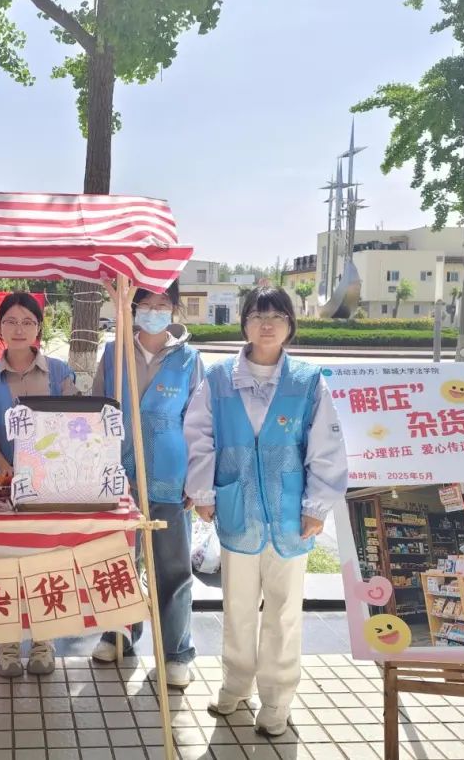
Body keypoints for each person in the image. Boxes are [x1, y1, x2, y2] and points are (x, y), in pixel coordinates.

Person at [184, 286, 347, 736]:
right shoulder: (218, 378)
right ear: (244, 324)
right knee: (236, 607)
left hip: (291, 515)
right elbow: (198, 436)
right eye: (257, 315)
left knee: (284, 612)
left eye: (277, 315)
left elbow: (326, 448)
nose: (267, 324)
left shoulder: (308, 381)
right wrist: (203, 492)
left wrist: (317, 505)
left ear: (291, 324)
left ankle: (276, 699)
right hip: (237, 510)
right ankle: (236, 684)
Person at [89, 283, 204, 689]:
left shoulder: (189, 359)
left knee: (172, 567)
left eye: (162, 304)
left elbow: (200, 422)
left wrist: (196, 478)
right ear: (134, 308)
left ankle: (176, 652)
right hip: (119, 475)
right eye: (147, 304)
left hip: (171, 477)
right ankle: (118, 634)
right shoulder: (114, 353)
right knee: (119, 561)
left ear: (173, 309)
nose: (154, 311)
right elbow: (97, 412)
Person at [0, 292, 77, 678]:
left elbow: (73, 425)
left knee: (45, 560)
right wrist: (6, 469)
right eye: (11, 321)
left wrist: (45, 470)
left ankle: (43, 640)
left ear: (38, 328)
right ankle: (4, 643)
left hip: (50, 486)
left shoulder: (60, 372)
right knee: (1, 561)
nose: (19, 329)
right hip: (0, 483)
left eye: (28, 322)